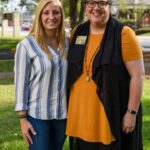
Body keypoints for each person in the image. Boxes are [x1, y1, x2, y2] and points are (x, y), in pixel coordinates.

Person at [66, 0, 145, 150]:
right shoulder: (77, 32)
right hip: (81, 115)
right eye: (91, 3)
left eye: (102, 3)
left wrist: (131, 112)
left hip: (110, 117)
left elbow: (138, 76)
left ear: (109, 5)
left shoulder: (124, 34)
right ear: (85, 6)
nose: (96, 8)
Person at [14, 0, 68, 150]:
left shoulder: (68, 43)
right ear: (39, 16)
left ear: (61, 15)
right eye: (46, 12)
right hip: (37, 115)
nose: (51, 17)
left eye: (56, 12)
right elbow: (21, 85)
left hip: (63, 114)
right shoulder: (26, 45)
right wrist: (23, 120)